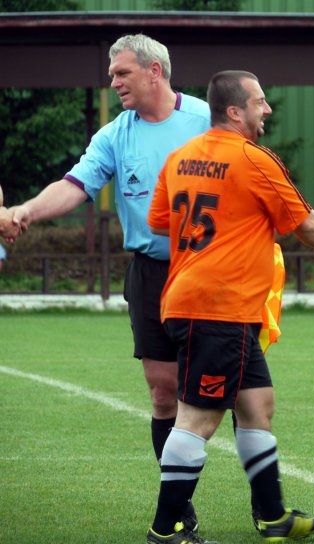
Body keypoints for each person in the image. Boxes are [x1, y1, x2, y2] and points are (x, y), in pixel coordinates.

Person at [4, 34, 210, 529]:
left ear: (154, 71)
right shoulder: (115, 134)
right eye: (112, 73)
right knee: (163, 392)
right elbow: (75, 185)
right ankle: (178, 510)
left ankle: (267, 506)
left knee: (239, 391)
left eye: (122, 73)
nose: (113, 82)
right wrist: (25, 211)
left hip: (214, 270)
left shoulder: (207, 119)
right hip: (151, 274)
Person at [146, 70, 314, 544]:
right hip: (219, 307)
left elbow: (159, 222)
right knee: (198, 418)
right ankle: (165, 529)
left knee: (257, 405)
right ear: (234, 111)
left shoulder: (180, 156)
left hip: (198, 302)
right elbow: (305, 224)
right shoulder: (254, 158)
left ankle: (273, 516)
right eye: (260, 102)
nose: (267, 109)